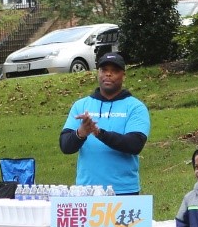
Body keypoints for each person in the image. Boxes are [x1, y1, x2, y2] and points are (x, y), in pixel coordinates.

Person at [59, 52, 150, 194]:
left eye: (114, 71)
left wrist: (100, 133)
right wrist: (81, 132)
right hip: (86, 191)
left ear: (123, 76)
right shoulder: (81, 105)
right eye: (104, 70)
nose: (108, 74)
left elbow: (134, 144)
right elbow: (65, 146)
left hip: (124, 191)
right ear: (98, 73)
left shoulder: (135, 107)